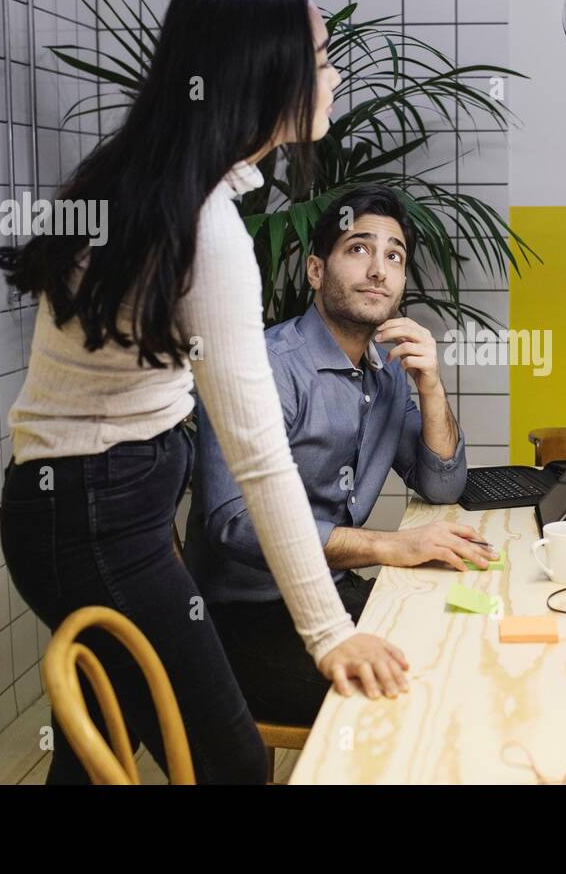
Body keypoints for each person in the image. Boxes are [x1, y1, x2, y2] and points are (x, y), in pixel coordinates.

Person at [0, 0, 407, 784]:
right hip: (95, 513)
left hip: (85, 506)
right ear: (266, 73)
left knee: (93, 752)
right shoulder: (205, 230)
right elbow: (257, 455)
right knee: (234, 763)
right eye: (320, 56)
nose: (332, 73)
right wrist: (329, 632)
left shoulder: (146, 179)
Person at [184, 184, 488, 724]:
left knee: (461, 649)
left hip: (335, 593)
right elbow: (234, 525)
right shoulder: (264, 368)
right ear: (316, 271)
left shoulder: (390, 369)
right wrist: (389, 546)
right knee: (410, 702)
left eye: (394, 257)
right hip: (245, 620)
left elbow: (442, 484)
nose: (379, 270)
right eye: (359, 249)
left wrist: (433, 387)